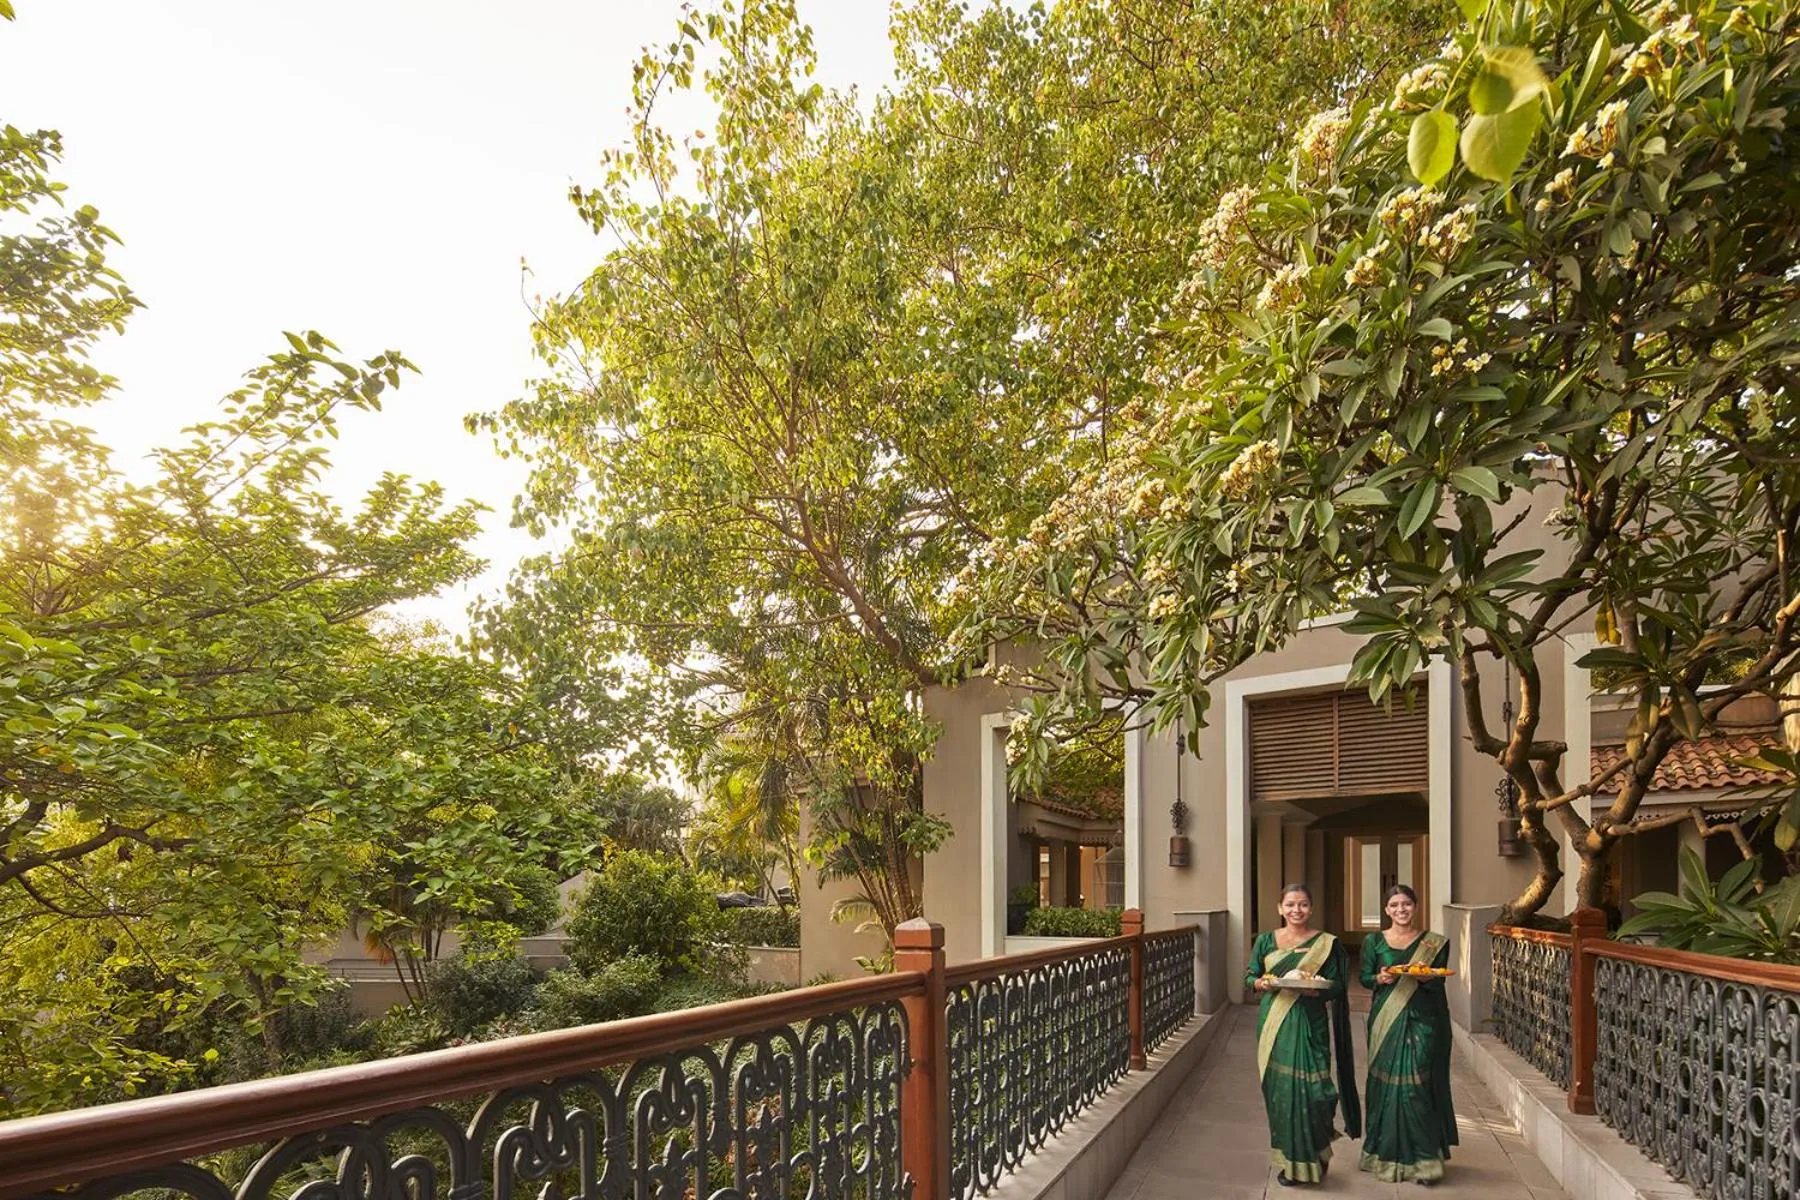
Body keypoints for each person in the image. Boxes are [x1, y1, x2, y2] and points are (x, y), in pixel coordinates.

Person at [1244, 882, 1362, 1187]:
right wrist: (1262, 984)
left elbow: (1336, 984)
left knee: (1315, 1092)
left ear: (1311, 908)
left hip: (1311, 1023)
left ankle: (1316, 1155)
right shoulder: (1266, 941)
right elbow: (1250, 976)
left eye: (1303, 904)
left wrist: (1315, 989)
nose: (1297, 910)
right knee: (1282, 1092)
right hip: (1275, 1025)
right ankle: (1291, 1161)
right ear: (1280, 909)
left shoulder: (1326, 943)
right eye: (1291, 904)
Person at [1359, 884, 1458, 1185]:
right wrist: (1380, 976)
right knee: (1386, 1087)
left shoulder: (1434, 943)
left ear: (1415, 907)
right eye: (1394, 905)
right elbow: (1364, 978)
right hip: (1385, 1021)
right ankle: (1383, 1154)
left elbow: (1438, 981)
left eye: (1406, 904)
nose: (1401, 910)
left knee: (1418, 1085)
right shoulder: (1373, 942)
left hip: (1425, 1020)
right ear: (1387, 910)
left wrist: (1426, 977)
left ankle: (1425, 1162)